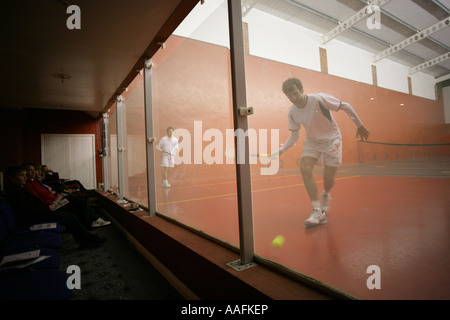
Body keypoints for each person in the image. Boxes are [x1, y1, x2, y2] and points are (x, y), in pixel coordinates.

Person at [276, 78, 370, 227]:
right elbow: (295, 135)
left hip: (332, 139)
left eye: (295, 93)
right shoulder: (292, 111)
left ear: (301, 89)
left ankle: (326, 193)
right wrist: (280, 151)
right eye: (289, 96)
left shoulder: (319, 99)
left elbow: (346, 106)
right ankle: (317, 211)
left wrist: (360, 125)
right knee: (305, 168)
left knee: (328, 179)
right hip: (313, 141)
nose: (293, 98)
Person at [4, 165, 106, 249]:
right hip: (35, 216)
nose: (25, 177)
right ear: (11, 178)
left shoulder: (19, 188)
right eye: (22, 175)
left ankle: (85, 237)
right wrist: (49, 208)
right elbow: (28, 210)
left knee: (72, 212)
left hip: (42, 209)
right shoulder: (16, 191)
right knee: (69, 216)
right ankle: (87, 237)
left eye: (25, 175)